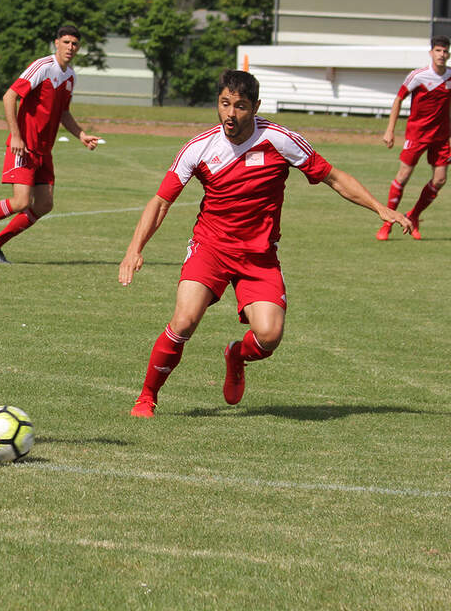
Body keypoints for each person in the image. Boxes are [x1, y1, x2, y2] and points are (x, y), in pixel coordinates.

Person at [118, 69, 411, 418]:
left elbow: (333, 177)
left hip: (259, 256)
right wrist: (135, 248)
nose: (230, 113)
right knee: (183, 320)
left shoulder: (280, 140)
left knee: (269, 335)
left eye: (240, 106)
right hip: (211, 248)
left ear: (255, 106)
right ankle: (147, 397)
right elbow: (161, 201)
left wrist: (380, 207)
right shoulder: (199, 147)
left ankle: (235, 356)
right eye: (225, 104)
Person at [0, 24, 98, 263]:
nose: (70, 47)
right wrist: (16, 136)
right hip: (24, 146)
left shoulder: (70, 76)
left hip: (44, 151)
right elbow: (10, 96)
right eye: (66, 42)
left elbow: (63, 113)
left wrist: (81, 135)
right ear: (56, 43)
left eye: (75, 44)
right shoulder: (42, 67)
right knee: (21, 202)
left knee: (44, 204)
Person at [375, 36, 451, 241]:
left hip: (442, 137)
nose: (442, 55)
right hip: (417, 134)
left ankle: (414, 215)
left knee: (440, 179)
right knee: (403, 176)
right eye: (438, 51)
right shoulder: (418, 76)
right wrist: (390, 129)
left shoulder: (450, 77)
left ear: (449, 54)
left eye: (445, 51)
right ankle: (387, 222)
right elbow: (398, 98)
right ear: (431, 53)